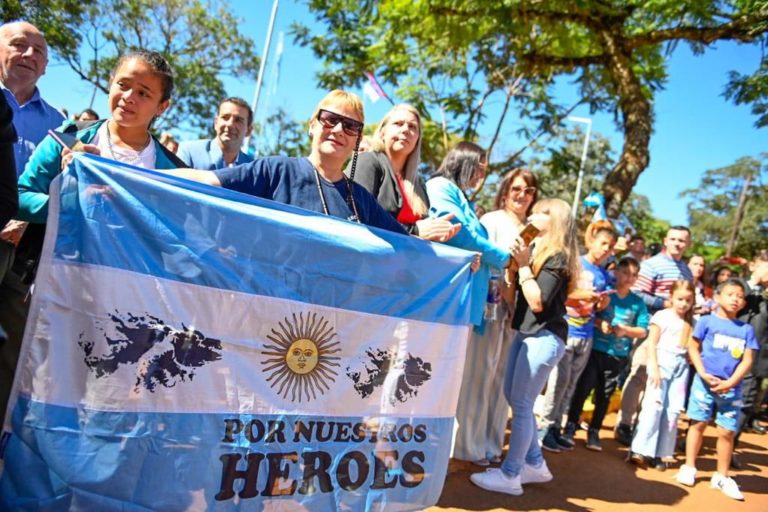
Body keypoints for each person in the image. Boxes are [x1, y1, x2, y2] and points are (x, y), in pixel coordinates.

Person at [172, 90, 406, 234]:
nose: (338, 130)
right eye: (330, 119)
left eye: (350, 125)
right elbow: (206, 180)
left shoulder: (360, 200)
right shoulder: (277, 171)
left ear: (358, 139)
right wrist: (137, 175)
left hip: (332, 310)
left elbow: (407, 246)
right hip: (273, 306)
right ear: (312, 125)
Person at [470, 198, 579, 496]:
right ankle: (534, 463)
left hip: (545, 336)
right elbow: (511, 299)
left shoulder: (557, 256)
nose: (532, 215)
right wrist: (511, 271)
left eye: (542, 212)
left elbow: (537, 301)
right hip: (527, 334)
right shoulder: (537, 255)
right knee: (515, 399)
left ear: (555, 220)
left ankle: (511, 474)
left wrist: (524, 265)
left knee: (520, 405)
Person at [0, 21, 65, 415]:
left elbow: (59, 190)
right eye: (19, 45)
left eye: (39, 52)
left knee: (13, 351)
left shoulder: (60, 126)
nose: (29, 55)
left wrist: (25, 213)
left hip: (22, 255)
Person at [451, 169, 538, 465]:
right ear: (505, 191)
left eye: (528, 190)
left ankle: (491, 444)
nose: (522, 195)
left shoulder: (532, 228)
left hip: (515, 312)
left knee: (503, 380)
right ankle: (468, 445)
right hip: (488, 304)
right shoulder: (491, 221)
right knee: (479, 374)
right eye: (516, 188)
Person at [675, 278, 758, 501]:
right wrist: (702, 373)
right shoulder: (706, 321)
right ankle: (689, 466)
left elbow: (748, 360)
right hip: (704, 383)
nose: (736, 299)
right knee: (698, 423)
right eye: (731, 294)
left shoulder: (746, 329)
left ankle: (722, 475)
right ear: (718, 297)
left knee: (727, 431)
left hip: (732, 389)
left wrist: (731, 383)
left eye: (740, 296)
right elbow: (693, 347)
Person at [540, 220, 616, 452]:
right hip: (566, 330)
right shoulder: (576, 264)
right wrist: (585, 295)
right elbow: (562, 293)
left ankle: (556, 428)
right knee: (557, 382)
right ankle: (544, 428)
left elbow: (600, 305)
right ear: (592, 241)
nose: (606, 249)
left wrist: (602, 302)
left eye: (611, 246)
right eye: (603, 243)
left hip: (587, 333)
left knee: (570, 384)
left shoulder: (604, 275)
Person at [615, 225, 693, 445]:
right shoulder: (651, 265)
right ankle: (625, 423)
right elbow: (638, 293)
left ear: (688, 244)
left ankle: (646, 428)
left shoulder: (686, 271)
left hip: (674, 336)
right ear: (665, 240)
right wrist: (663, 303)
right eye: (674, 239)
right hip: (651, 328)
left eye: (682, 240)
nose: (678, 243)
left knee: (661, 382)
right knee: (640, 374)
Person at [566, 257, 649, 451]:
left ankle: (594, 431)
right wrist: (599, 323)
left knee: (605, 394)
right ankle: (571, 425)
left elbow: (643, 330)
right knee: (583, 388)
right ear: (617, 273)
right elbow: (588, 312)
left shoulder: (637, 303)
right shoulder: (605, 293)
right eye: (626, 273)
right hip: (595, 350)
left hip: (617, 355)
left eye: (634, 275)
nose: (629, 278)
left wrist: (625, 331)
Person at [349, 104, 458, 242]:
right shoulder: (367, 161)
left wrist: (439, 236)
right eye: (398, 124)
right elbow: (356, 216)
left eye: (412, 127)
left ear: (418, 138)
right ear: (383, 132)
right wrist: (414, 230)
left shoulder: (419, 184)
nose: (406, 130)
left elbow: (423, 236)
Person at [629, 280, 695, 468]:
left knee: (672, 410)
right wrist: (654, 367)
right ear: (671, 298)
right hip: (661, 364)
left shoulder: (691, 323)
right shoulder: (662, 316)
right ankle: (640, 449)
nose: (683, 304)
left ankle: (660, 452)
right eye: (680, 299)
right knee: (654, 407)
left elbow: (693, 348)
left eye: (688, 300)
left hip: (680, 369)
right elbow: (651, 342)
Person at [735, 250, 768, 437]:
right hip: (726, 352)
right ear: (753, 265)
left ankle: (730, 447)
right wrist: (755, 281)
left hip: (755, 357)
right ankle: (694, 441)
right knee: (711, 399)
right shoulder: (738, 286)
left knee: (745, 402)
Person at [177, 97, 254, 169]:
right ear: (216, 123)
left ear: (249, 130)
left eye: (238, 120)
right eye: (225, 117)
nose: (230, 124)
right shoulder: (190, 152)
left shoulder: (253, 168)